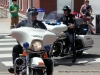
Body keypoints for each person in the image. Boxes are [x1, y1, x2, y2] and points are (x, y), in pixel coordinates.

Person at [8, 7, 53, 75]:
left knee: (48, 54)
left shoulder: (40, 24)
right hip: (26, 46)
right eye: (32, 14)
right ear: (28, 15)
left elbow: (45, 32)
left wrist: (50, 35)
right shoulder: (23, 23)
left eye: (35, 14)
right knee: (16, 48)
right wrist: (13, 32)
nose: (34, 16)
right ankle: (16, 67)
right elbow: (16, 30)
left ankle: (49, 71)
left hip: (37, 46)